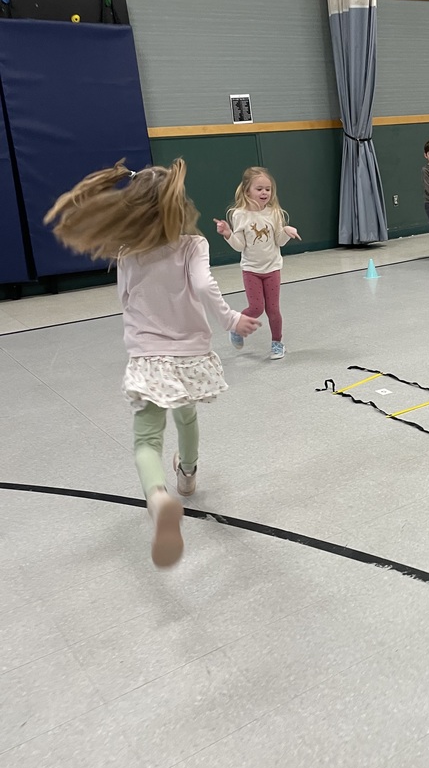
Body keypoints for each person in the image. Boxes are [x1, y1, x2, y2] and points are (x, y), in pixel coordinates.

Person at [45, 160, 259, 567]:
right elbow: (202, 284)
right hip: (190, 352)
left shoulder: (127, 252)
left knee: (146, 438)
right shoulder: (194, 244)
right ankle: (189, 474)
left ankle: (159, 498)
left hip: (147, 355)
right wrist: (232, 319)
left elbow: (125, 299)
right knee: (187, 416)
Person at [214, 167, 300, 358]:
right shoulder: (239, 215)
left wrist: (286, 232)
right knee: (256, 308)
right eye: (259, 188)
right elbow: (239, 246)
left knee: (273, 309)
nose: (264, 193)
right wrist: (228, 234)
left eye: (268, 189)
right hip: (251, 270)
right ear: (247, 191)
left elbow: (278, 241)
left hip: (272, 268)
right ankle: (236, 327)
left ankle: (277, 343)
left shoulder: (275, 213)